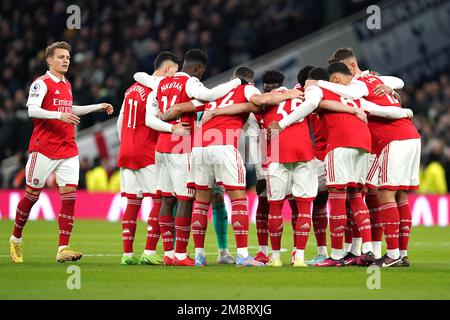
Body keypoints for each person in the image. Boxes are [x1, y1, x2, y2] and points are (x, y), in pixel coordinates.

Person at [163, 66, 300, 266]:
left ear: (231, 78)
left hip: (199, 146)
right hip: (223, 143)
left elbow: (179, 108)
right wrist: (290, 93)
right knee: (237, 199)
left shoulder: (215, 92)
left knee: (201, 202)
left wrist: (162, 118)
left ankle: (200, 256)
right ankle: (243, 255)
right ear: (250, 82)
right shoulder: (246, 89)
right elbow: (261, 101)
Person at [9, 41, 113, 263]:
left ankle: (63, 248)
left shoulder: (66, 83)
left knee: (69, 198)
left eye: (67, 57)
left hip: (68, 148)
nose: (66, 60)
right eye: (61, 57)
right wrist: (58, 115)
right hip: (43, 148)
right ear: (49, 60)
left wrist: (97, 106)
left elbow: (69, 109)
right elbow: (33, 110)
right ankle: (16, 238)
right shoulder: (41, 83)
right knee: (31, 196)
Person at [141, 48, 243, 266]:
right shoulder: (190, 82)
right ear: (198, 69)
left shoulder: (160, 83)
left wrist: (175, 113)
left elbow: (150, 113)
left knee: (166, 199)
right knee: (188, 199)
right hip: (183, 145)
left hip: (161, 146)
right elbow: (209, 96)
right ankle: (181, 254)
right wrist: (235, 84)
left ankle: (168, 253)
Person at [324, 48, 421, 267]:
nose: (339, 83)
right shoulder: (373, 78)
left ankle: (392, 255)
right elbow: (399, 81)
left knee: (384, 194)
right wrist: (393, 90)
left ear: (349, 67)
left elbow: (355, 98)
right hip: (408, 136)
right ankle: (400, 253)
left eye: (337, 77)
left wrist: (319, 83)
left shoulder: (358, 84)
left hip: (393, 138)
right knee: (399, 196)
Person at [116, 51, 185, 265]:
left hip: (126, 149)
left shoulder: (131, 89)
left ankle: (127, 254)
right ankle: (149, 251)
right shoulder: (157, 89)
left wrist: (126, 143)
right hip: (147, 150)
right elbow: (152, 120)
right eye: (175, 70)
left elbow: (120, 121)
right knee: (159, 199)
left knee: (132, 201)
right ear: (167, 69)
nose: (175, 76)